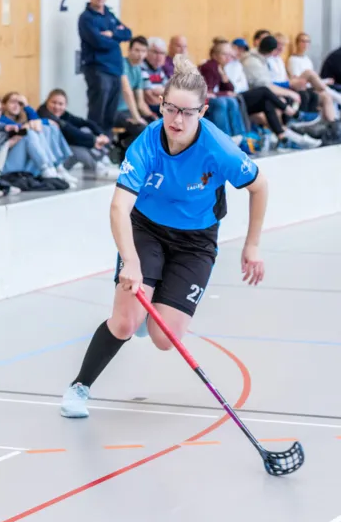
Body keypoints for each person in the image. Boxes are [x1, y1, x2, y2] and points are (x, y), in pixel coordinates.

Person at [60, 55, 268, 418]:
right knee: (124, 323)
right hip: (146, 229)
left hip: (196, 241)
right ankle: (79, 387)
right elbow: (119, 207)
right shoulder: (146, 144)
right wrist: (130, 260)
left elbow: (259, 186)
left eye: (187, 113)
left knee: (163, 338)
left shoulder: (218, 149)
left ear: (203, 111)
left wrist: (252, 245)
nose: (177, 120)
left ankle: (148, 314)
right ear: (161, 104)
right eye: (171, 109)